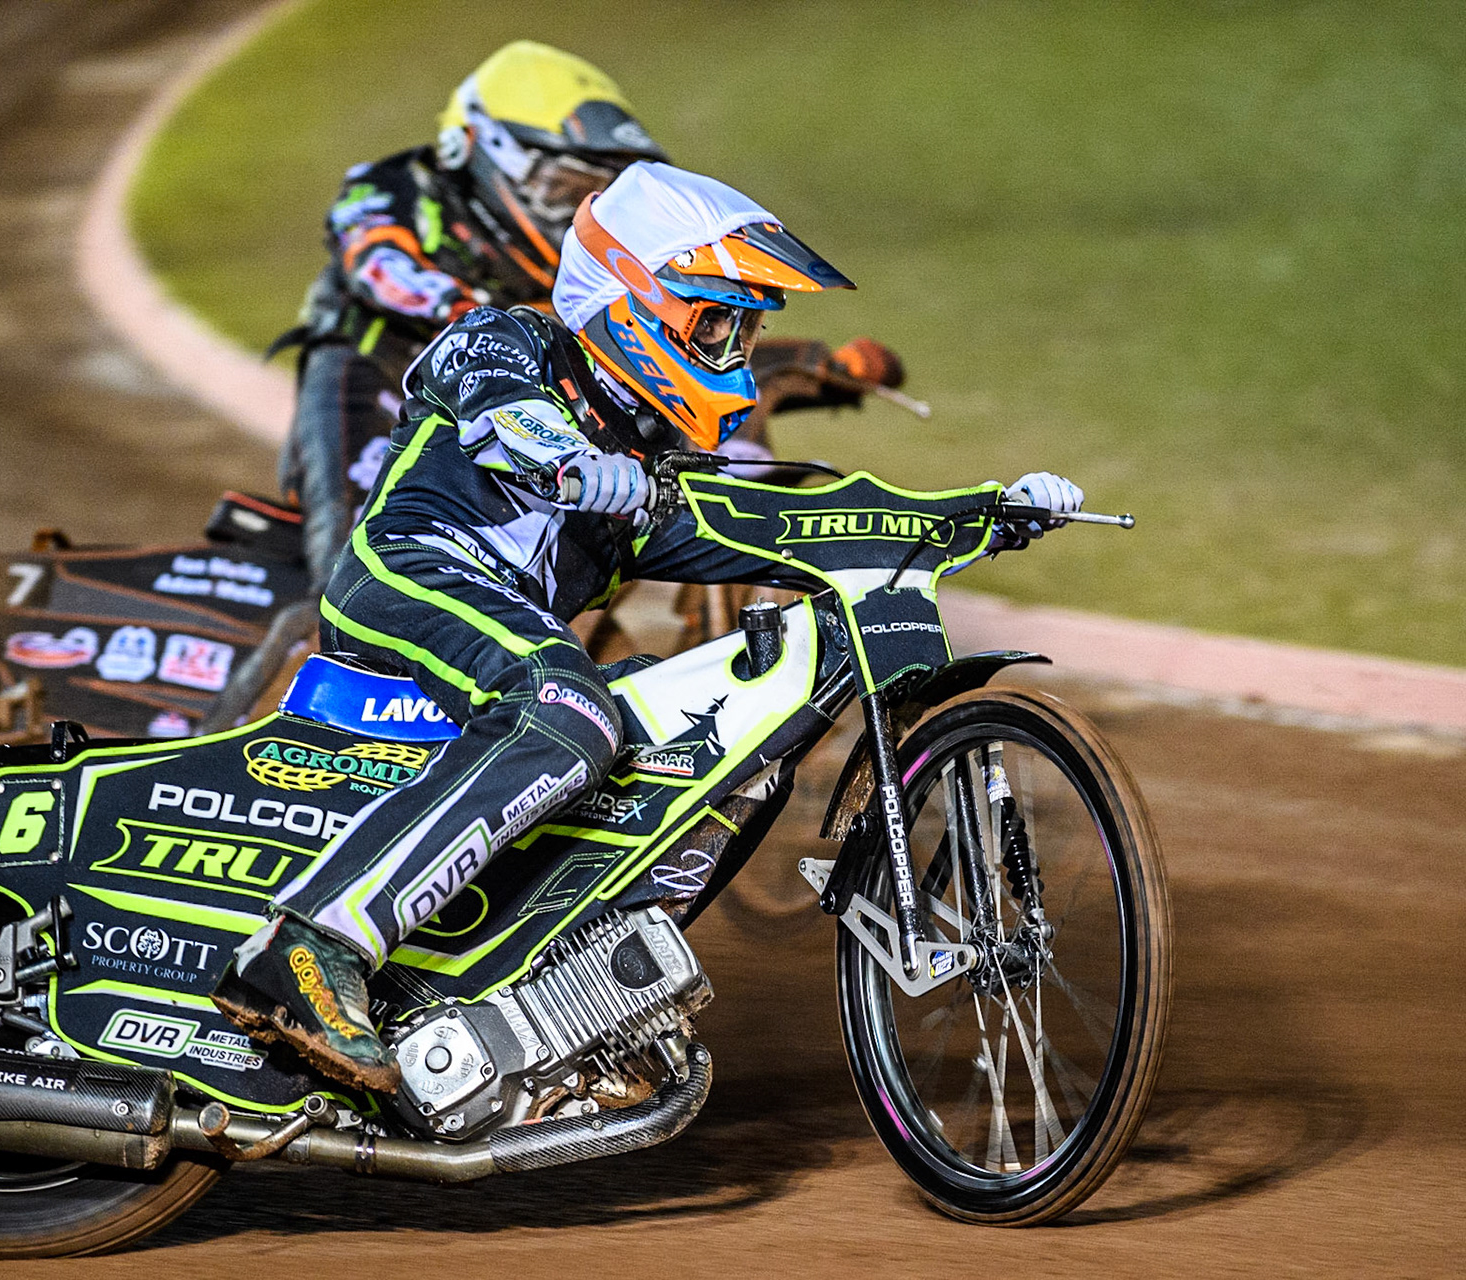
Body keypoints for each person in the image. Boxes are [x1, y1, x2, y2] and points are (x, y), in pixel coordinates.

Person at [213, 161, 1084, 1091]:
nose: (735, 354)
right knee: (570, 708)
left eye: (745, 332)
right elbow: (504, 415)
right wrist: (571, 462)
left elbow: (801, 523)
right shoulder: (507, 340)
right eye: (717, 325)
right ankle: (308, 947)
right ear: (634, 298)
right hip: (405, 574)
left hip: (499, 639)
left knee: (688, 746)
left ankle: (555, 1000)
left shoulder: (653, 468)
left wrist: (979, 515)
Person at [270, 41, 907, 593]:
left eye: (598, 191)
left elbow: (665, 330)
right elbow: (378, 265)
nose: (578, 210)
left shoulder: (587, 270)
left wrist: (807, 360)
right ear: (477, 150)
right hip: (377, 367)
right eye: (564, 188)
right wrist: (474, 309)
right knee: (355, 558)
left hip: (523, 381)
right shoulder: (391, 185)